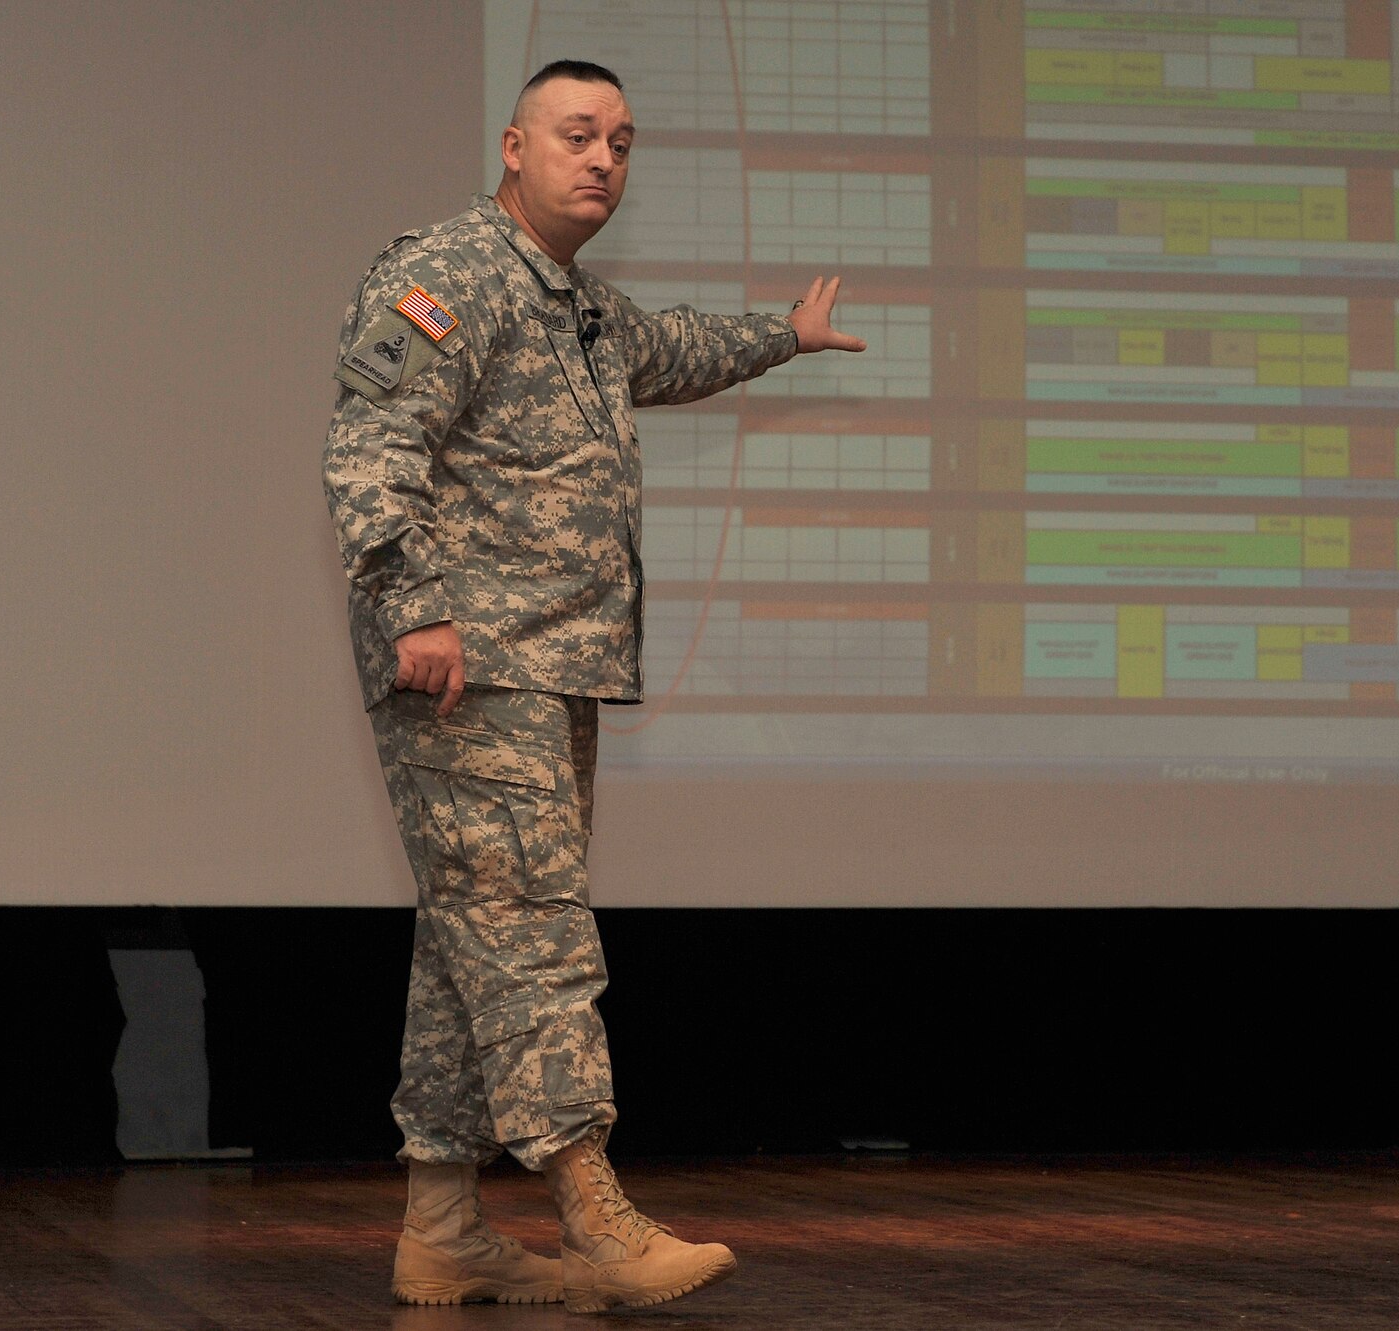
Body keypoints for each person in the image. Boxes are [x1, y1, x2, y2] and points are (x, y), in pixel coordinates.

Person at [322, 59, 865, 1313]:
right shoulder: (449, 272)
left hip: (548, 666)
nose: (603, 159)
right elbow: (368, 439)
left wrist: (783, 335)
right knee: (529, 930)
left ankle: (442, 1227)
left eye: (621, 141)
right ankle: (592, 1210)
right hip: (471, 663)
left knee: (471, 936)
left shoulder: (574, 306)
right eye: (577, 134)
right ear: (513, 148)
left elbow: (670, 348)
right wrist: (416, 604)